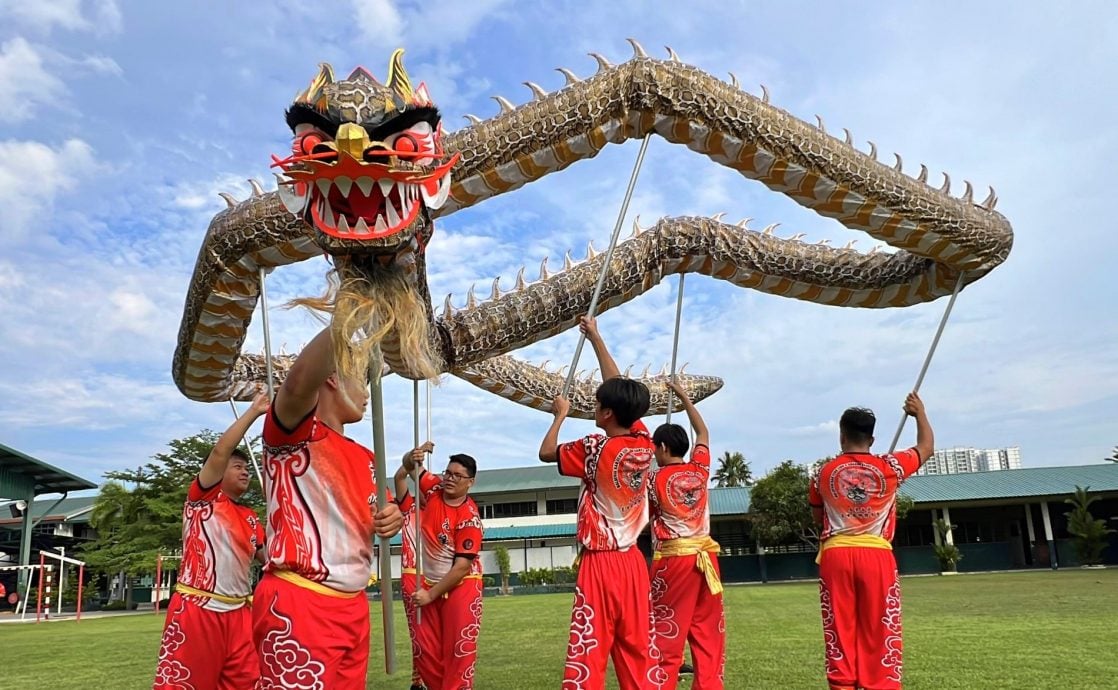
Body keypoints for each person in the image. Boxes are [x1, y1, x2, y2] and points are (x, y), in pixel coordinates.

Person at [254, 326, 404, 689]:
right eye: (361, 381)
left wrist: (391, 518)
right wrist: (348, 313)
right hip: (301, 602)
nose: (367, 395)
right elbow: (296, 385)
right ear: (333, 379)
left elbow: (374, 516)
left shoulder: (368, 458)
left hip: (353, 605)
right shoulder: (292, 435)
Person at [538, 315, 658, 690]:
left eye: (597, 403)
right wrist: (596, 338)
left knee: (590, 647)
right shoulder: (644, 443)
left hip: (601, 564)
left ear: (606, 414)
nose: (594, 405)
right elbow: (617, 387)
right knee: (637, 647)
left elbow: (546, 453)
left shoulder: (595, 448)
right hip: (635, 564)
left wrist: (559, 416)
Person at [808, 392, 934, 690]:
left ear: (842, 436)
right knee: (881, 626)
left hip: (836, 557)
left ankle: (842, 684)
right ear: (872, 439)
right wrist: (920, 413)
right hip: (876, 557)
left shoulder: (821, 474)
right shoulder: (890, 467)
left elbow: (817, 518)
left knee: (839, 628)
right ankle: (881, 684)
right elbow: (926, 448)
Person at [153, 391, 269, 690]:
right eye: (237, 466)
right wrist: (254, 412)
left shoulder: (251, 517)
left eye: (246, 468)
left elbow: (270, 558)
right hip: (198, 609)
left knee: (249, 682)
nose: (245, 471)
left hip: (240, 613)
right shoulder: (203, 499)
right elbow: (220, 453)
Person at [648, 380, 725, 690]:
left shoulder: (654, 479)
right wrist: (683, 398)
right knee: (708, 631)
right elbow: (703, 434)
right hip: (707, 560)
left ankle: (662, 683)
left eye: (656, 448)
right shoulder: (699, 471)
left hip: (673, 561)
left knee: (666, 629)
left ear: (663, 448)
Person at [396, 443, 484, 690]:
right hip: (430, 582)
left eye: (458, 476)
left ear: (470, 482)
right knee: (424, 648)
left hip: (462, 585)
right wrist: (411, 455)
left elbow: (461, 568)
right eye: (448, 473)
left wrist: (430, 595)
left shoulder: (469, 518)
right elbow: (408, 468)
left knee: (459, 648)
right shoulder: (434, 489)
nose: (450, 479)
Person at [394, 455, 429, 690]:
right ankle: (418, 681)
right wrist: (411, 460)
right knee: (419, 634)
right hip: (412, 575)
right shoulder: (410, 507)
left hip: (437, 579)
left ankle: (430, 678)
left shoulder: (442, 510)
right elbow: (399, 477)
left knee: (435, 635)